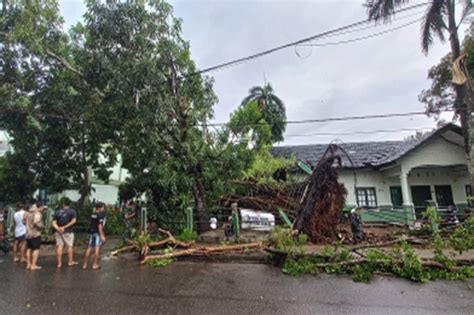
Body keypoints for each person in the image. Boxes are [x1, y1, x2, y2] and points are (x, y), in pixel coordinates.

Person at [52, 198, 78, 268]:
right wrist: (64, 227)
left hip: (58, 232)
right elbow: (74, 221)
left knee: (59, 246)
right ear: (70, 204)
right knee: (69, 246)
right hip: (68, 231)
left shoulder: (58, 212)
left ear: (63, 204)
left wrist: (58, 228)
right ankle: (70, 261)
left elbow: (53, 222)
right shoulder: (72, 211)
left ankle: (59, 263)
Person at [82, 202, 107, 270]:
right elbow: (100, 226)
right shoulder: (100, 215)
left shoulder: (93, 215)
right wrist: (102, 235)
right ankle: (95, 264)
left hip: (92, 233)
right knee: (97, 248)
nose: (103, 209)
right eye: (102, 207)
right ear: (99, 208)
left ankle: (84, 264)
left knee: (89, 248)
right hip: (98, 234)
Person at [25, 202, 45, 270]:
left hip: (28, 233)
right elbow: (36, 222)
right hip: (35, 234)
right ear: (40, 207)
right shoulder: (37, 213)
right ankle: (33, 265)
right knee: (36, 249)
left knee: (28, 249)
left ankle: (28, 264)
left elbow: (24, 221)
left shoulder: (29, 213)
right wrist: (41, 226)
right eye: (42, 207)